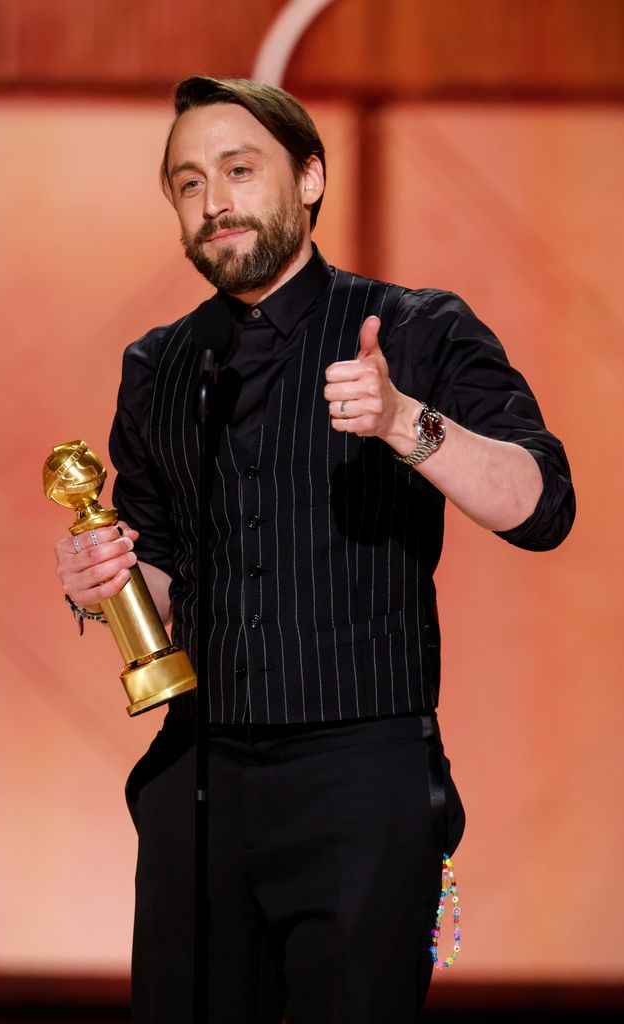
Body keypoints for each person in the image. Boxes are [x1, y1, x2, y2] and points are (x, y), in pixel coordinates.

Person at [54, 76, 575, 1024]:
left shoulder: (418, 328)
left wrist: (405, 422)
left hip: (363, 780)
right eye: (186, 183)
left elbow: (542, 505)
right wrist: (106, 582)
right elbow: (161, 562)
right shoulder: (156, 363)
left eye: (240, 171)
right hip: (196, 779)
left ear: (308, 179)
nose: (214, 201)